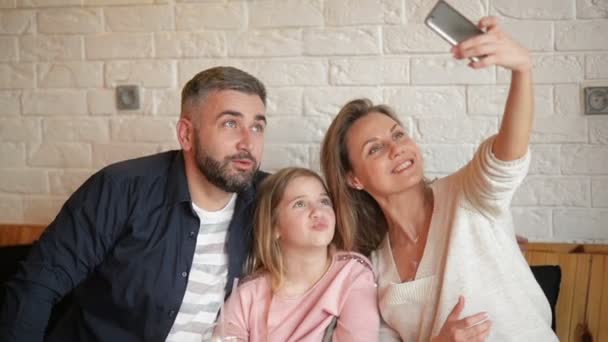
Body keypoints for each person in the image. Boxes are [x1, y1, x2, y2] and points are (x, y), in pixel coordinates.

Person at [321, 17, 558, 342]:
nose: (396, 149)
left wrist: (522, 70)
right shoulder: (374, 268)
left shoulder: (467, 194)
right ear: (354, 179)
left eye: (398, 134)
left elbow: (507, 156)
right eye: (375, 149)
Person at [0, 66, 269, 342]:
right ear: (186, 135)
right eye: (230, 124)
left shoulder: (270, 198)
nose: (248, 142)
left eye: (257, 126)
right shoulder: (120, 188)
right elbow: (36, 286)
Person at [215, 167, 379, 341]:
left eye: (324, 201)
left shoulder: (352, 275)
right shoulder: (248, 295)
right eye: (300, 204)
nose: (317, 211)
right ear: (274, 227)